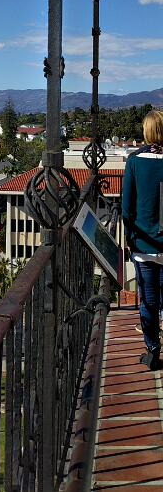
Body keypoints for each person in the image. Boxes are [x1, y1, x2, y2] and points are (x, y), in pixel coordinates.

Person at [122, 111, 163, 371]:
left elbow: (127, 209)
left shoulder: (135, 162)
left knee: (149, 300)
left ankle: (153, 350)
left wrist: (130, 238)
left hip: (144, 245)